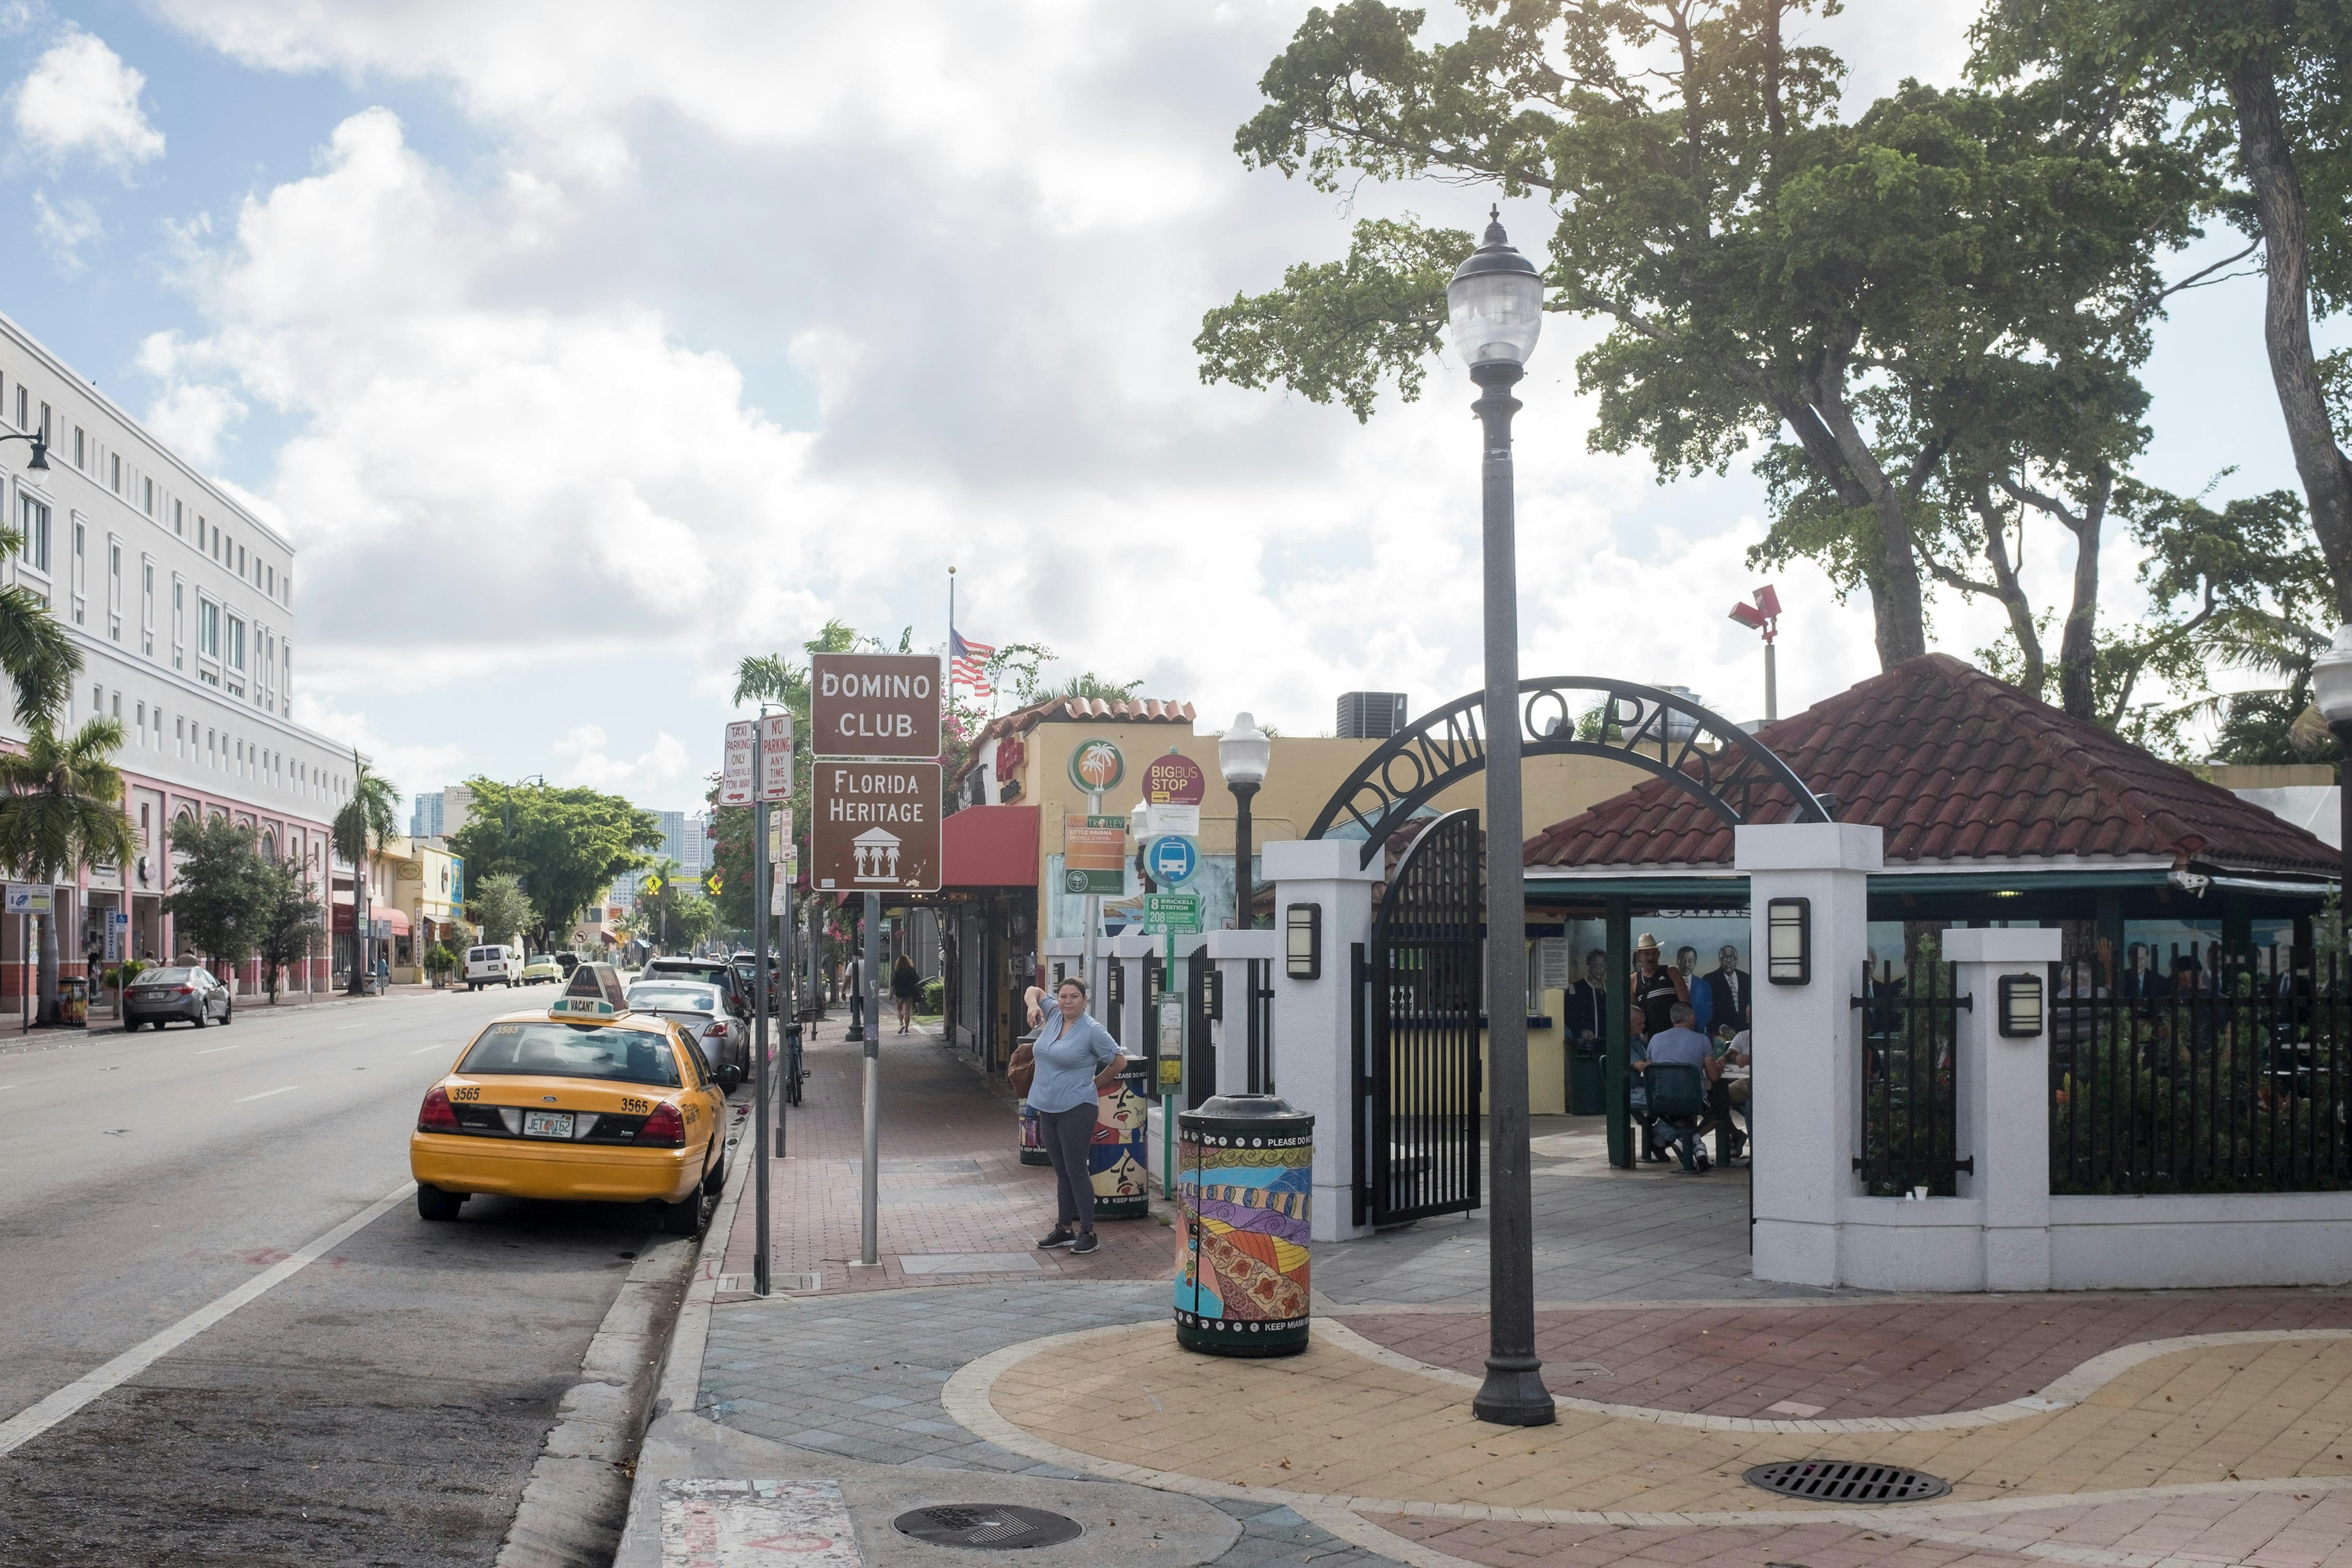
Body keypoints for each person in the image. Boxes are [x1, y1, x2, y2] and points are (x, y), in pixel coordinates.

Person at [1025, 977, 1126, 1256]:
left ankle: (1088, 1232)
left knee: (1076, 1170)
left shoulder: (1093, 1030)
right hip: (1047, 1106)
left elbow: (1119, 1061)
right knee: (1061, 1172)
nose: (1067, 1001)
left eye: (1074, 997)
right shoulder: (1055, 1014)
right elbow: (1033, 990)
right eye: (1063, 996)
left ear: (1085, 1000)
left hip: (1077, 1108)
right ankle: (1064, 1229)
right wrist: (1033, 1005)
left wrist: (1093, 1083)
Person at [1634, 1001, 1717, 1172]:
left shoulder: (1656, 1039)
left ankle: (1663, 1139)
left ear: (1672, 1019)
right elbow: (1713, 1076)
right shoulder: (1702, 1040)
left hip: (1661, 1100)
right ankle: (1692, 1144)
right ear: (1692, 1018)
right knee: (1720, 1109)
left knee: (1681, 1112)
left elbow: (1651, 1067)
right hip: (1693, 1101)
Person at [1630, 934, 1685, 1046]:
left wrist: (1684, 1034)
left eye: (1654, 954)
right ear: (1639, 956)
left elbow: (1686, 1006)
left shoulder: (1671, 973)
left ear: (1659, 955)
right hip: (1647, 1042)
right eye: (1646, 954)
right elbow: (1630, 1014)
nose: (1651, 958)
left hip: (1673, 1038)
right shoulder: (1634, 979)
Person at [1698, 944, 1751, 1036]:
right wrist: (1722, 1027)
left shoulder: (1746, 979)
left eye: (1732, 958)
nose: (1728, 961)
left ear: (1737, 960)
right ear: (1720, 961)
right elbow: (1706, 1012)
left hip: (1746, 1035)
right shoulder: (1710, 980)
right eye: (1725, 958)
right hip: (1721, 1036)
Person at [1561, 949, 1607, 1043]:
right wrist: (1581, 1031)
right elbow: (1568, 1016)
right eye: (1596, 965)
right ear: (1589, 966)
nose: (1599, 969)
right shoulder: (1576, 988)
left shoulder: (1611, 989)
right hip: (1584, 1046)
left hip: (1608, 1045)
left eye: (1603, 965)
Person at [891, 954, 920, 1034]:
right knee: (907, 1011)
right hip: (910, 993)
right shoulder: (912, 970)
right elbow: (917, 980)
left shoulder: (898, 971)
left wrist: (891, 993)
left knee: (899, 1009)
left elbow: (894, 984)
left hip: (900, 993)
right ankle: (907, 1029)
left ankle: (901, 1024)